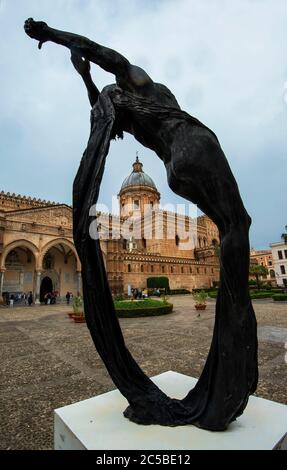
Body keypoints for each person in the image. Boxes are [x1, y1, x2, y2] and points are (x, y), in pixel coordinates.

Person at [24, 18, 258, 430]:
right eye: (133, 201)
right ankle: (235, 349)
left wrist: (77, 68)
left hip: (172, 167)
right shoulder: (152, 92)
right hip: (191, 144)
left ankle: (229, 356)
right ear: (133, 200)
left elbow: (104, 107)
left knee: (230, 230)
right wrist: (56, 39)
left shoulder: (127, 111)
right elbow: (102, 65)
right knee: (237, 225)